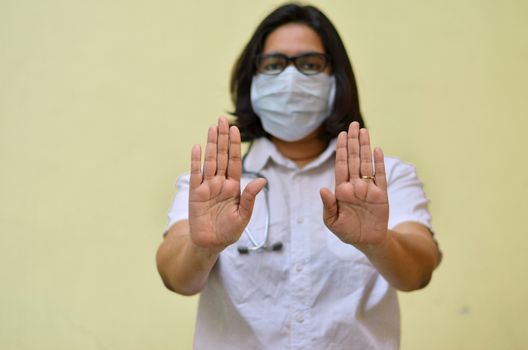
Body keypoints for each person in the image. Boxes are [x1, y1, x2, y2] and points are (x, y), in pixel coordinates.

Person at [156, 3, 441, 349]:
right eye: (274, 65)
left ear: (336, 81)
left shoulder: (384, 178)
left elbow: (418, 273)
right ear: (253, 82)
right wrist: (203, 247)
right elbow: (175, 278)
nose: (290, 79)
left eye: (309, 64)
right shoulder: (214, 184)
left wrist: (376, 242)